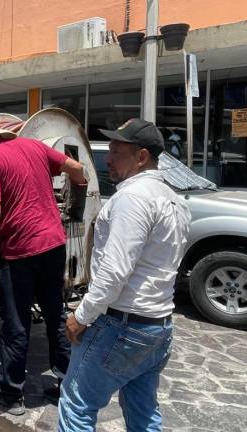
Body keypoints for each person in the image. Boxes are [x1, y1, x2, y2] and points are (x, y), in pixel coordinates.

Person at [58, 118, 191, 432]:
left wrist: (82, 315)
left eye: (117, 151)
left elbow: (114, 272)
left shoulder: (132, 199)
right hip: (157, 327)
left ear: (141, 157)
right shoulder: (174, 199)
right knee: (143, 411)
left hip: (123, 325)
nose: (108, 158)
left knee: (76, 404)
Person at [0, 115, 87, 416]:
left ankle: (11, 397)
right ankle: (66, 387)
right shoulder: (34, 146)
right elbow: (77, 170)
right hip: (54, 245)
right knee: (55, 317)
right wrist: (76, 208)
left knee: (16, 326)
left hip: (21, 253)